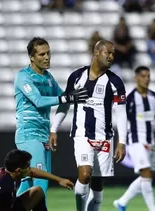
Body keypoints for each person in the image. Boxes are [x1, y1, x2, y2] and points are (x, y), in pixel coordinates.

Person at [49, 40, 127, 211]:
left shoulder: (115, 82)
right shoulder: (76, 77)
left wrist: (122, 141)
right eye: (108, 52)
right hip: (82, 134)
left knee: (98, 186)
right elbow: (65, 104)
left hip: (105, 138)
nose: (111, 57)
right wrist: (53, 129)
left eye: (113, 54)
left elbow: (121, 113)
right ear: (96, 52)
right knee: (84, 175)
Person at [14, 37, 88, 198]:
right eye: (41, 54)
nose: (47, 57)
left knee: (27, 181)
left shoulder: (48, 77)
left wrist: (54, 129)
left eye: (48, 53)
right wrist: (66, 98)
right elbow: (39, 101)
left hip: (43, 136)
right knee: (41, 182)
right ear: (32, 57)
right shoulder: (23, 76)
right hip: (29, 135)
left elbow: (64, 99)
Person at [113, 66, 155, 211]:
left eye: (148, 76)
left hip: (150, 140)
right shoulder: (130, 98)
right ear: (136, 78)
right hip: (135, 140)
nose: (146, 79)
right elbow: (122, 119)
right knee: (146, 173)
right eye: (143, 76)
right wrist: (120, 142)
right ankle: (153, 209)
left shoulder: (154, 97)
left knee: (147, 176)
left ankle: (121, 202)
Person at [0, 149, 74, 211]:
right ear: (18, 170)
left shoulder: (10, 172)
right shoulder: (4, 185)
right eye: (28, 166)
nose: (30, 169)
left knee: (37, 191)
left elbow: (32, 172)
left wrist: (59, 180)